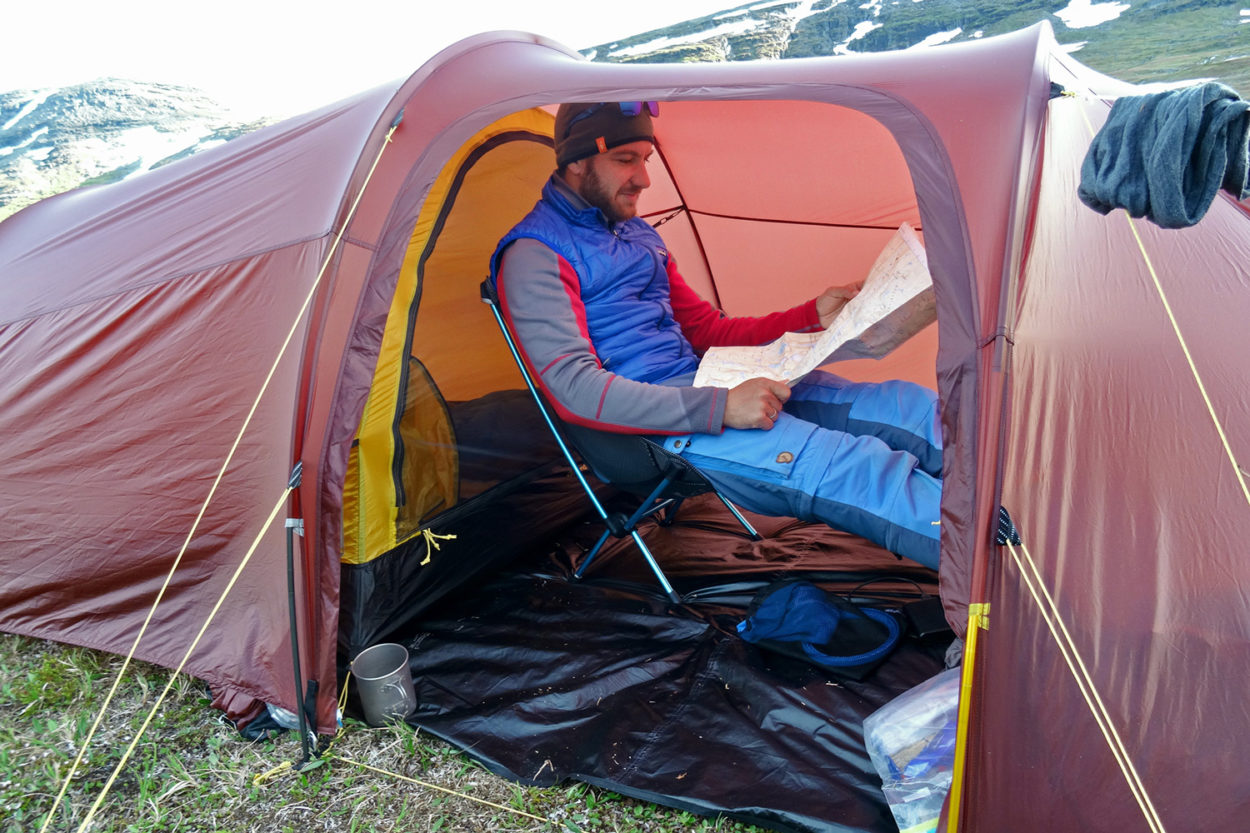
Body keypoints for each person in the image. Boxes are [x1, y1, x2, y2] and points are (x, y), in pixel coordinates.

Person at [489, 101, 942, 570]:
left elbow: (708, 330)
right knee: (859, 471)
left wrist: (814, 316)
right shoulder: (534, 255)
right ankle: (1000, 572)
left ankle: (1007, 507)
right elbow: (575, 392)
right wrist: (721, 406)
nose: (644, 179)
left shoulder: (636, 233)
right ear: (576, 161)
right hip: (644, 433)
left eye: (645, 159)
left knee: (905, 408)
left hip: (712, 381)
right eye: (626, 160)